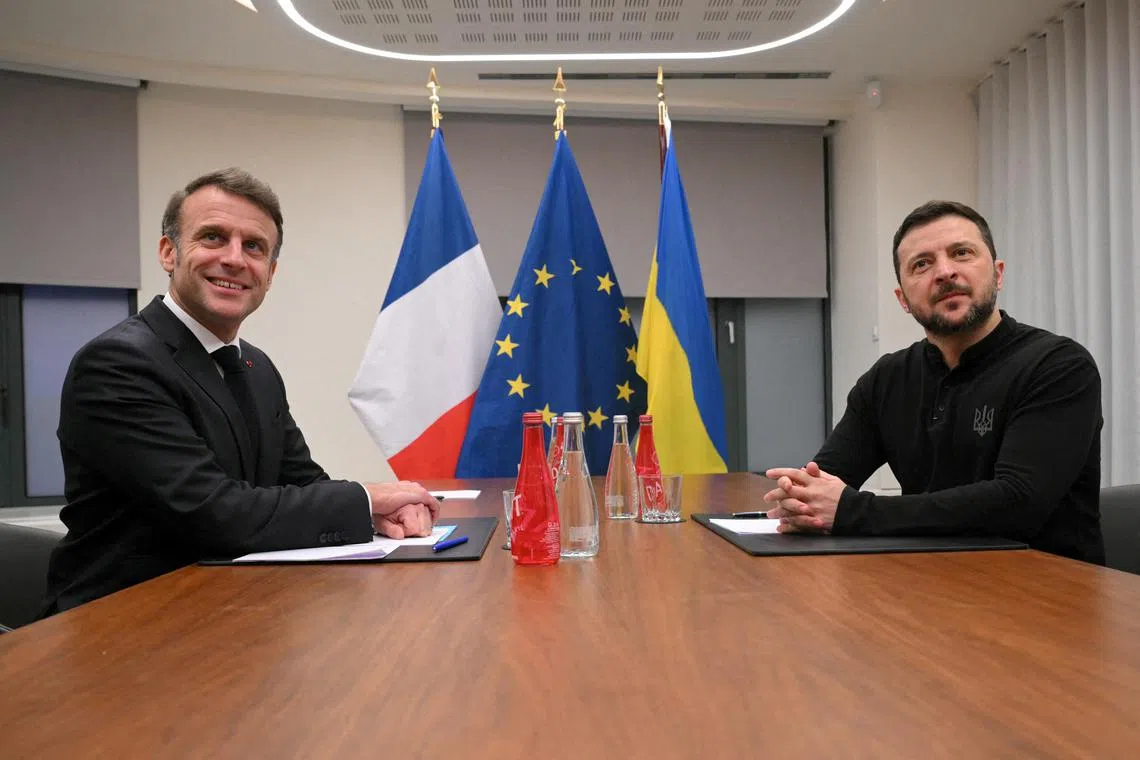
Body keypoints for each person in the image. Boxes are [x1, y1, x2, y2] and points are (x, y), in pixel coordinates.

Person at [43, 168, 440, 614]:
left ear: (269, 273)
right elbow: (214, 513)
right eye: (213, 237)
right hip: (119, 626)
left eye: (254, 247)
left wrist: (373, 515)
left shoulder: (256, 366)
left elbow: (301, 482)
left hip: (235, 613)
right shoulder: (118, 363)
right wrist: (366, 498)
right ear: (168, 252)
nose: (234, 259)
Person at [763, 200, 1104, 563]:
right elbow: (823, 483)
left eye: (962, 253)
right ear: (903, 299)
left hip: (1047, 593)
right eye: (921, 264)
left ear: (998, 274)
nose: (944, 272)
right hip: (926, 580)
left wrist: (852, 511)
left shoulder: (1058, 366)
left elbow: (1018, 502)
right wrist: (798, 497)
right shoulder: (887, 379)